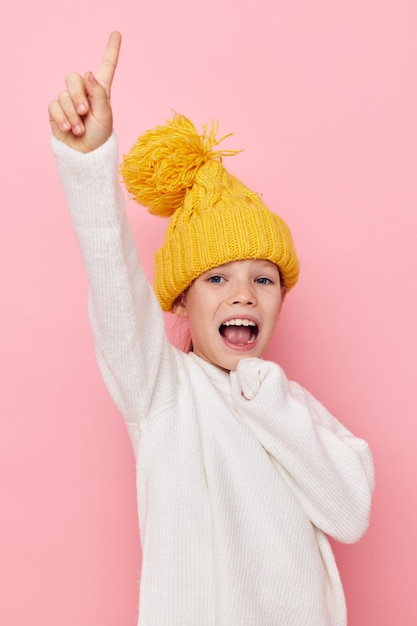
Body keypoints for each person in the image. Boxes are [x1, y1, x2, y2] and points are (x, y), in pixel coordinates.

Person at [48, 31, 374, 626]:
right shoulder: (162, 392)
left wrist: (267, 396)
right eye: (217, 279)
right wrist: (89, 163)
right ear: (180, 302)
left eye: (264, 279)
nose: (244, 293)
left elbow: (349, 511)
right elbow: (114, 280)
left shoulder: (291, 406)